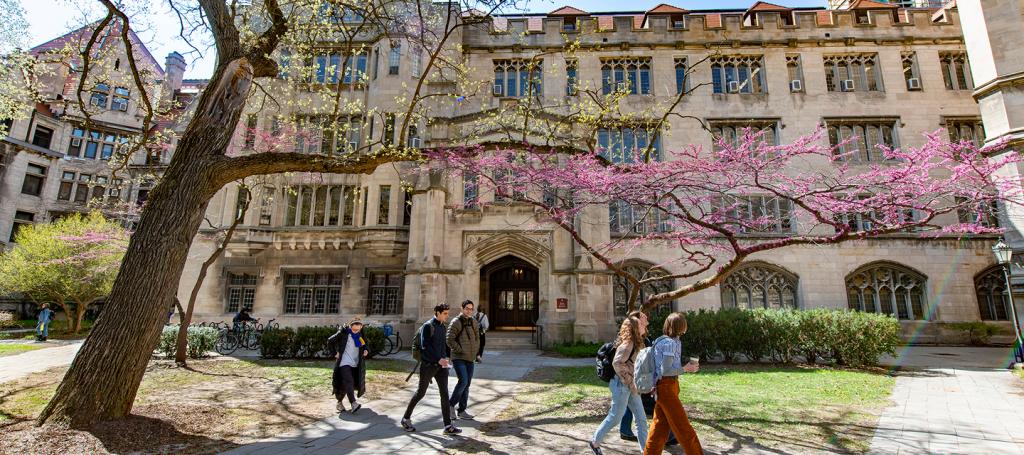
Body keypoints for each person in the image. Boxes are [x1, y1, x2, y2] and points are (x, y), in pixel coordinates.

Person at [588, 311, 649, 455]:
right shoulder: (628, 344)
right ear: (634, 327)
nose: (644, 325)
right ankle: (594, 442)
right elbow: (617, 363)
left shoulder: (638, 342)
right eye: (640, 323)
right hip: (621, 385)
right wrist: (630, 381)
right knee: (616, 416)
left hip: (630, 385)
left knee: (641, 419)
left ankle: (646, 451)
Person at [644, 312, 703, 455]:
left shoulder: (665, 340)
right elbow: (666, 370)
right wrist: (685, 368)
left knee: (659, 427)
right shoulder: (670, 343)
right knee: (683, 427)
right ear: (681, 326)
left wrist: (683, 369)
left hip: (667, 386)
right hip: (666, 387)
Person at [401, 303, 461, 435]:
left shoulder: (442, 326)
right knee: (420, 393)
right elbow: (425, 347)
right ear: (437, 313)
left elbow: (444, 345)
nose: (447, 316)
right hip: (428, 366)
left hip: (441, 367)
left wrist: (447, 357)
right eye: (445, 313)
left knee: (445, 394)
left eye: (447, 313)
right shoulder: (428, 326)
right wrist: (437, 359)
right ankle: (406, 418)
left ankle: (448, 425)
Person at [620, 334, 679, 447]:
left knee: (635, 409)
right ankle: (663, 438)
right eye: (644, 320)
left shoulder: (640, 339)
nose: (646, 322)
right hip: (640, 380)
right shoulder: (637, 340)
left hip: (638, 379)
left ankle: (627, 431)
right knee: (659, 410)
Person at [447, 300, 481, 420]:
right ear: (462, 308)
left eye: (471, 309)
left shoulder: (474, 322)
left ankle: (462, 410)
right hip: (459, 357)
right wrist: (460, 350)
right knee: (463, 381)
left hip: (470, 358)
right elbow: (449, 339)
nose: (469, 311)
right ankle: (450, 405)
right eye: (467, 308)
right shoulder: (456, 322)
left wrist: (476, 352)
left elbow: (478, 339)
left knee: (467, 384)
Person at [328, 319, 369, 413]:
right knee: (349, 381)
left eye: (359, 324)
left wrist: (366, 350)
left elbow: (366, 344)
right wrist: (334, 353)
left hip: (356, 363)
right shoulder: (343, 333)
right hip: (344, 362)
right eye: (355, 324)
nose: (357, 326)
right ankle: (353, 403)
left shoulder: (361, 335)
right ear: (351, 325)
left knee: (347, 384)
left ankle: (339, 402)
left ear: (361, 326)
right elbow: (330, 341)